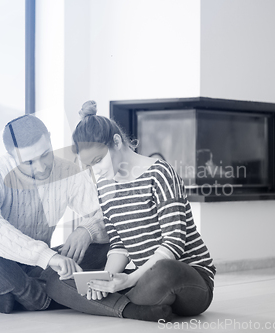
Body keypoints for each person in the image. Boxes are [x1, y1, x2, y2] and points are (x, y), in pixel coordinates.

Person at [42, 101, 216, 322]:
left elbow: (174, 243)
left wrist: (128, 280)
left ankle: (108, 304)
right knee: (55, 282)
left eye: (99, 161)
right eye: (90, 167)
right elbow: (119, 244)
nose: (97, 171)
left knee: (164, 271)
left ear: (116, 142)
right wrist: (107, 279)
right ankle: (131, 308)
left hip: (186, 277)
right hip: (142, 276)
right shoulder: (104, 187)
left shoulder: (159, 173)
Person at [0, 114, 109, 313]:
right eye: (29, 162)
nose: (41, 167)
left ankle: (15, 292)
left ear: (50, 139)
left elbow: (108, 213)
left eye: (45, 154)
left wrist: (88, 230)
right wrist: (47, 256)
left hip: (32, 267)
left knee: (105, 242)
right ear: (11, 156)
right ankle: (38, 298)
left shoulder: (66, 170)